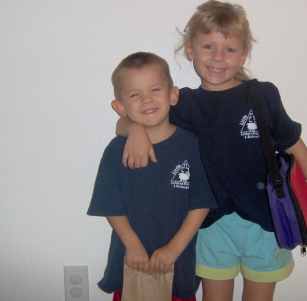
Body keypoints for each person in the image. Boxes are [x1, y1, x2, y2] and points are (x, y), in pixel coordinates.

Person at [116, 0, 307, 301]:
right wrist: (135, 131)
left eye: (229, 49)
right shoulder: (183, 103)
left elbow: (290, 139)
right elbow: (128, 120)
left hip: (266, 222)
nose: (217, 57)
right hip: (211, 225)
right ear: (190, 50)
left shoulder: (263, 95)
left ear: (243, 55)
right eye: (208, 47)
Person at [88, 52, 217, 301]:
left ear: (173, 95)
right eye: (135, 94)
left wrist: (174, 248)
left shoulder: (191, 145)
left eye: (155, 90)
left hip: (178, 263)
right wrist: (132, 245)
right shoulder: (117, 150)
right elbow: (109, 204)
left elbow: (201, 203)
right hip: (130, 263)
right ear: (120, 107)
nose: (146, 99)